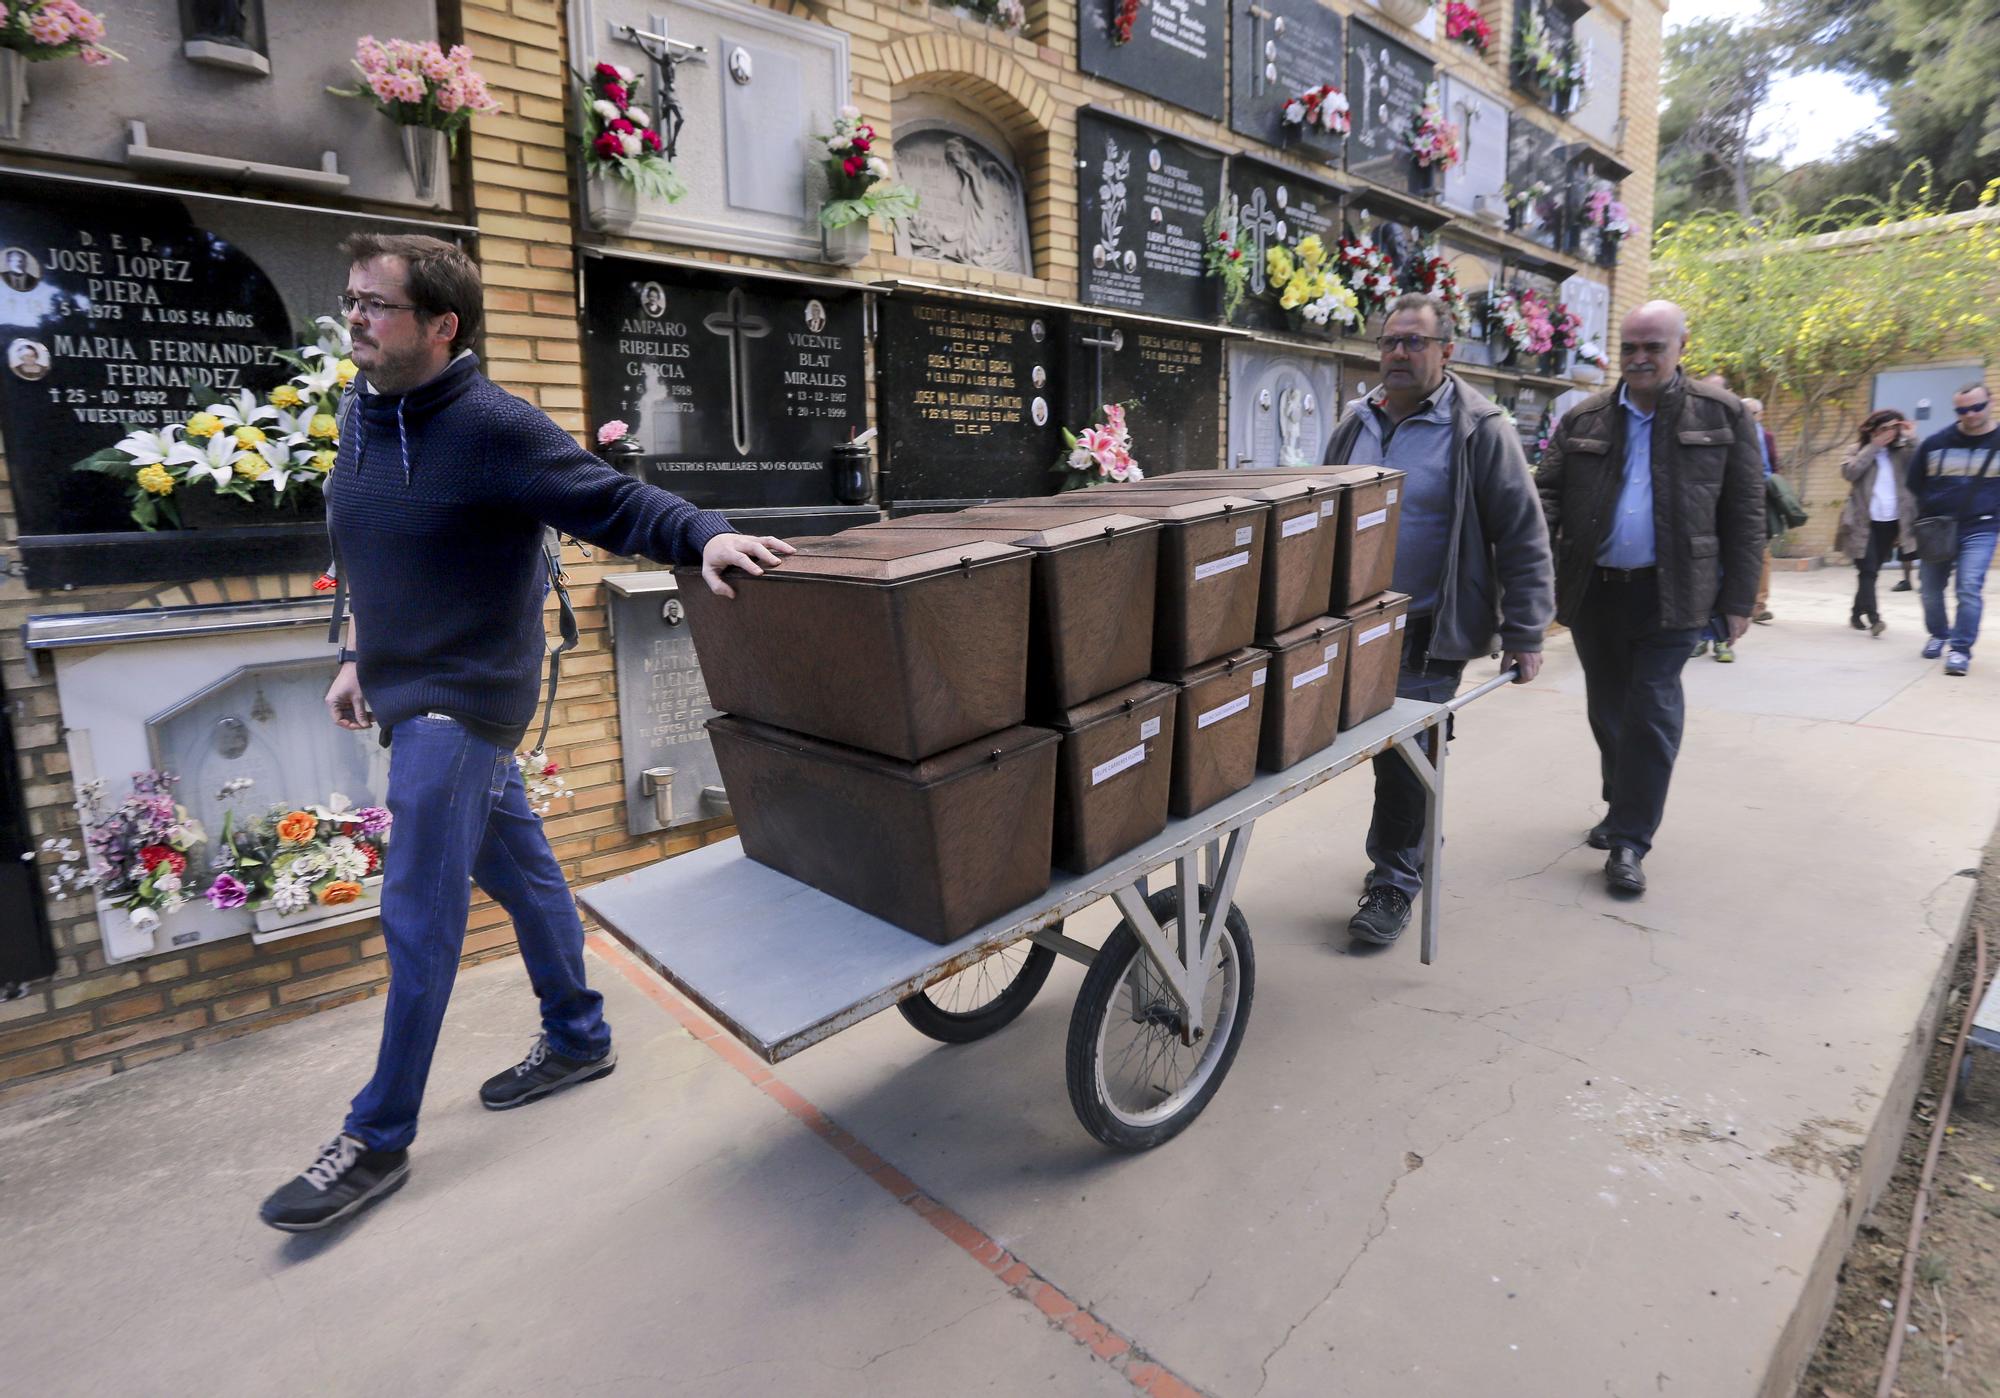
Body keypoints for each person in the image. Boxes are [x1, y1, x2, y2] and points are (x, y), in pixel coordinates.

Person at [258, 234, 792, 1232]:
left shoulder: (494, 426)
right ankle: (579, 1034)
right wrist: (354, 654)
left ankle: (376, 1139)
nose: (355, 321)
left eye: (375, 305)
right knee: (522, 869)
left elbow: (613, 501)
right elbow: (374, 546)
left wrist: (705, 533)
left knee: (419, 907)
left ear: (440, 325)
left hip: (463, 696)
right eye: (351, 301)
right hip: (403, 679)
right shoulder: (361, 412)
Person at [1322, 292, 1554, 945]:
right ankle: (1416, 841)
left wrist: (1526, 631)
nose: (1398, 352)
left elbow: (1523, 533)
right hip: (1355, 627)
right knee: (1388, 756)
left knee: (1407, 755)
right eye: (1391, 341)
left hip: (1428, 628)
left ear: (1446, 351)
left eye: (1414, 342)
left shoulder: (1479, 428)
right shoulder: (1354, 422)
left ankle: (1393, 883)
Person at [1535, 301, 1765, 896]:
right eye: (1630, 347)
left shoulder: (1723, 415)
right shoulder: (1583, 418)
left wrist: (1739, 599)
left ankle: (1631, 840)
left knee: (1651, 712)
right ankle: (1622, 805)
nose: (1639, 358)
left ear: (1680, 347)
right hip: (1594, 592)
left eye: (1653, 347)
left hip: (1674, 594)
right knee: (1609, 709)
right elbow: (1546, 498)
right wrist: (1536, 572)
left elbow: (1745, 512)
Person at [1909, 381, 2000, 676]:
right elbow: (1915, 483)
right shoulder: (1935, 443)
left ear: (1990, 402)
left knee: (1968, 587)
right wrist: (1929, 513)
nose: (1970, 414)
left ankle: (1960, 650)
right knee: (1930, 591)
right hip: (1938, 528)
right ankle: (1938, 633)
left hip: (1982, 527)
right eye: (1963, 409)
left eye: (1977, 407)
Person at [1836, 409, 1917, 637]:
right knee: (1868, 569)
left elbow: (1921, 466)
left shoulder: (1901, 452)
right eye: (1884, 429)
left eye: (1893, 428)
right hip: (1863, 521)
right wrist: (1874, 447)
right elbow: (1850, 473)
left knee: (1871, 571)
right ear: (1873, 430)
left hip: (1891, 522)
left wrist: (1912, 440)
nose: (1889, 433)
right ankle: (1875, 618)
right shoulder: (1857, 450)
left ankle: (1855, 612)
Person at [1743, 397, 1779, 624]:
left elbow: (1774, 468)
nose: (1747, 418)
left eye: (1751, 413)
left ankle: (1758, 605)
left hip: (1759, 499)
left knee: (1762, 552)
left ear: (1761, 415)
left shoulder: (1766, 438)